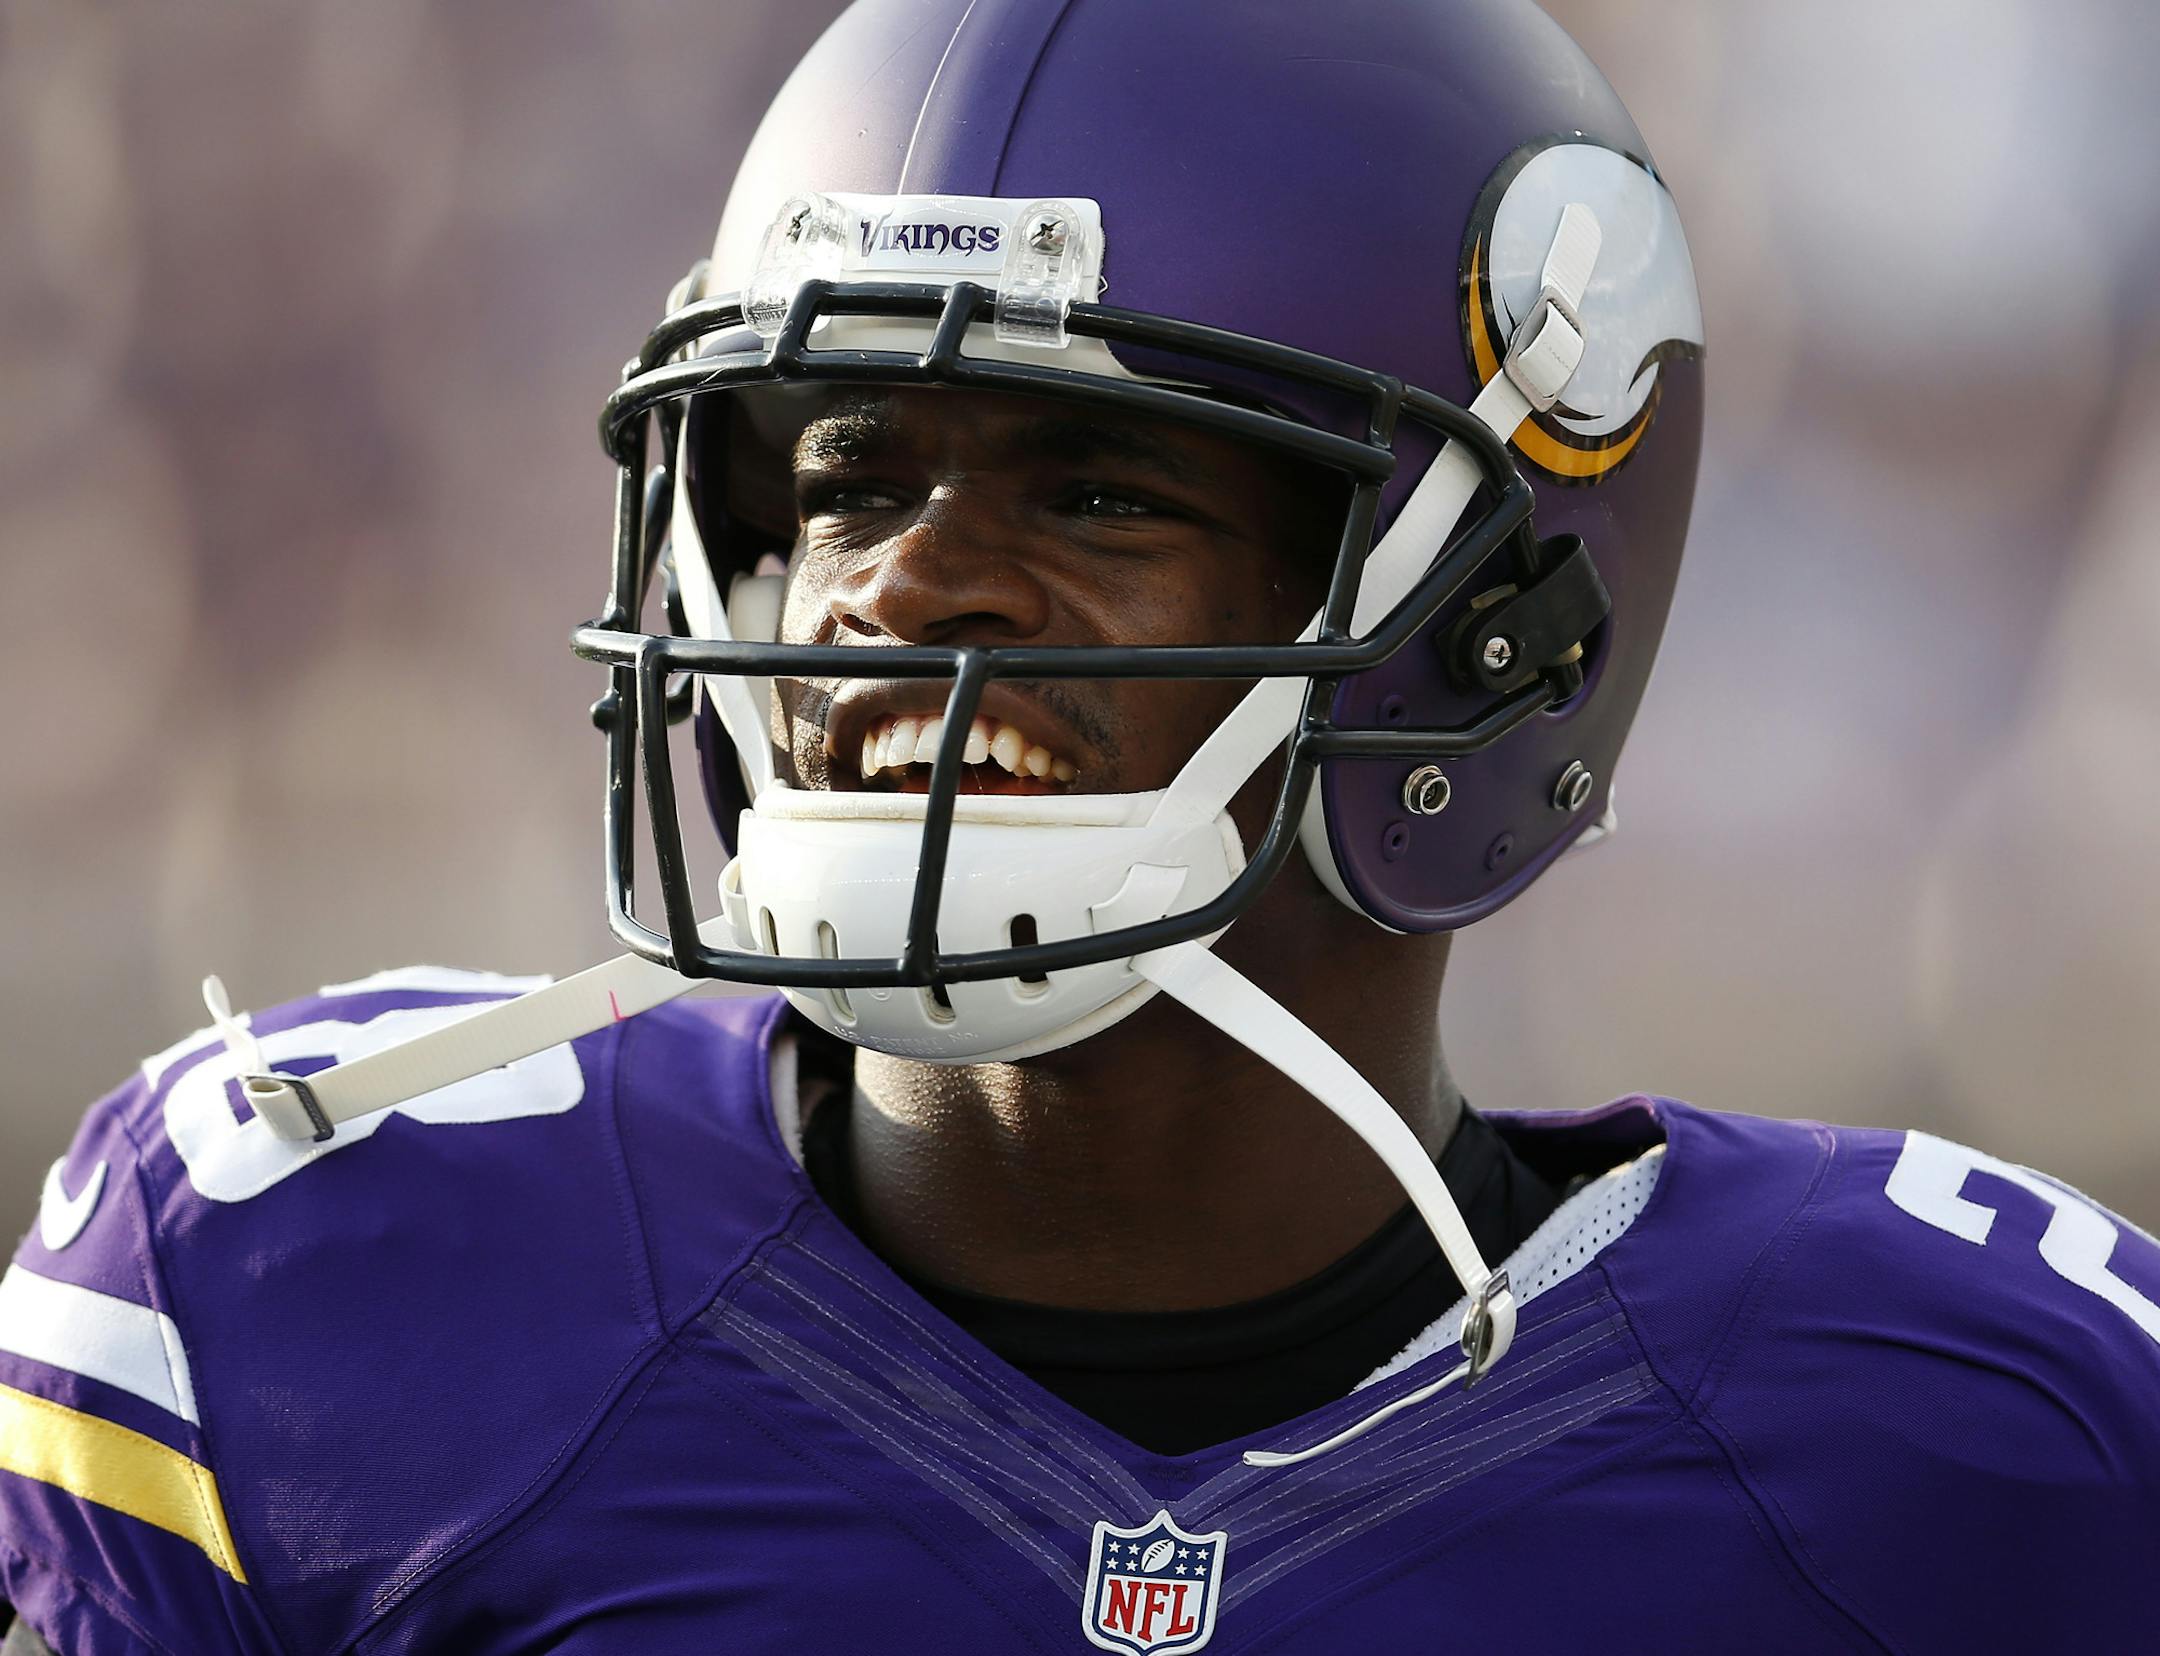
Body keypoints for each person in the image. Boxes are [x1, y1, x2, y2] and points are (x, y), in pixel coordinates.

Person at [4, 0, 2156, 1651]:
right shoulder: (315, 1274)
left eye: (1101, 487)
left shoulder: (1963, 1438)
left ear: (1487, 636)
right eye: (845, 475)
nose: (898, 589)